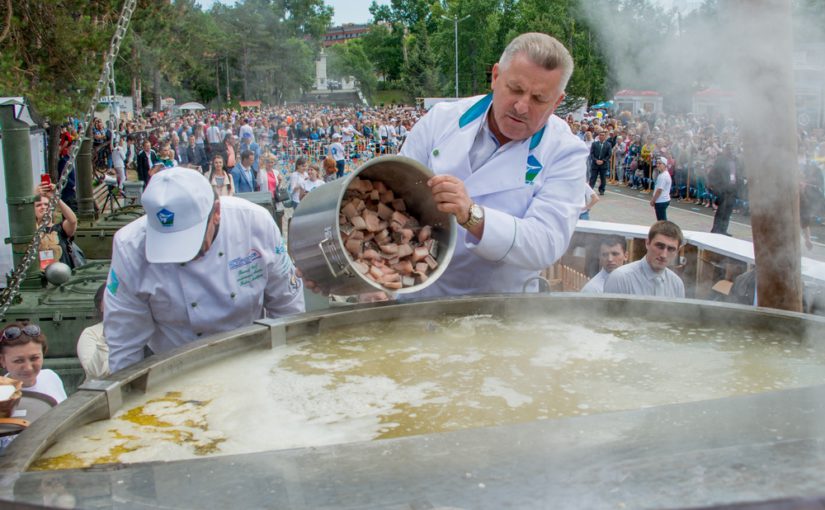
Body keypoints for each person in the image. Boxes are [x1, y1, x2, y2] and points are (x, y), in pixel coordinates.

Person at [397, 32, 588, 298]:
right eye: (516, 89)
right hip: (419, 292)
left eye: (539, 99)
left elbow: (546, 243)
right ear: (496, 77)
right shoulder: (440, 120)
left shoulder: (566, 151)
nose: (522, 106)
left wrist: (471, 214)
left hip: (501, 305)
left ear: (557, 102)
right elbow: (395, 194)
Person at [104, 167, 305, 373]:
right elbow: (124, 343)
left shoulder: (255, 223)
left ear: (216, 212)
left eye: (193, 244)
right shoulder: (129, 248)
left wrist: (287, 370)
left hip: (251, 359)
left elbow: (288, 306)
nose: (182, 255)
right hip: (175, 370)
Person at [603, 220, 685, 298]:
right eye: (660, 246)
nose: (664, 255)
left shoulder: (676, 284)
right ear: (647, 243)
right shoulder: (620, 278)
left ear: (677, 251)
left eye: (671, 249)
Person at [0, 323, 67, 403]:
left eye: (34, 358)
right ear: (2, 360)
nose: (28, 368)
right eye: (18, 361)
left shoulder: (50, 377)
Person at [35, 182, 78, 270]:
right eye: (38, 205)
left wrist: (56, 198)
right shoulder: (31, 230)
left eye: (46, 204)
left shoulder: (60, 228)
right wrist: (34, 195)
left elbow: (73, 221)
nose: (43, 207)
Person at [708, 144, 743, 236]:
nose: (732, 151)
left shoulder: (736, 161)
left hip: (733, 188)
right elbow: (713, 172)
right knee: (721, 210)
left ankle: (723, 230)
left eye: (733, 149)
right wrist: (715, 186)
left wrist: (739, 182)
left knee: (728, 211)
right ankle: (716, 229)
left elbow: (738, 172)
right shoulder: (721, 160)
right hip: (723, 188)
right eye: (730, 149)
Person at [77, 284, 109, 380]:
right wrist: (106, 336)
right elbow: (95, 372)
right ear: (101, 305)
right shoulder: (90, 333)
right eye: (109, 299)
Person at [589, 130, 612, 195]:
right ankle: (590, 189)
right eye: (600, 135)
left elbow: (609, 154)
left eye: (603, 135)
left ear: (605, 137)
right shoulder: (594, 144)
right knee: (593, 177)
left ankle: (602, 189)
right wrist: (596, 160)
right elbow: (592, 154)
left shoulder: (608, 145)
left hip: (603, 164)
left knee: (603, 178)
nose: (601, 136)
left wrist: (603, 160)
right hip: (595, 163)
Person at [650, 156, 672, 221]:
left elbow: (659, 190)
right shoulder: (662, 174)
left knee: (662, 221)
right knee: (661, 220)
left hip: (661, 200)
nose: (658, 165)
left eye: (660, 163)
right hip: (662, 200)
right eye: (657, 163)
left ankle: (665, 231)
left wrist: (653, 200)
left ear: (664, 165)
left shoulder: (663, 176)